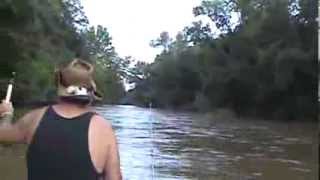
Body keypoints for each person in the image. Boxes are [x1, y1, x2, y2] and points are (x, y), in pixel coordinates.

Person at [0, 59, 122, 180]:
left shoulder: (35, 118)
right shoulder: (103, 129)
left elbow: (3, 135)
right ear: (90, 92)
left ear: (59, 87)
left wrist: (7, 113)